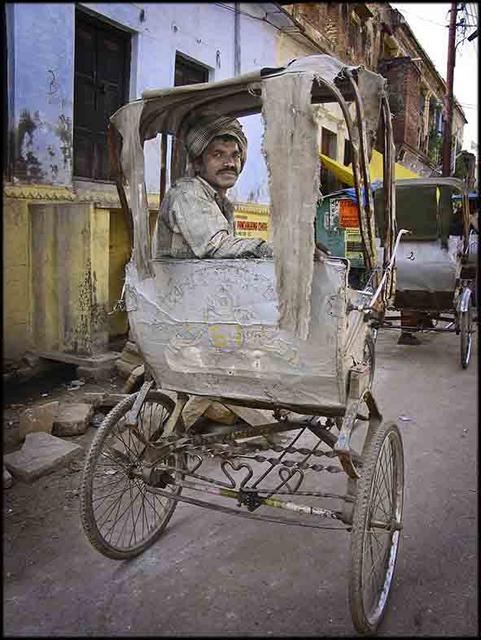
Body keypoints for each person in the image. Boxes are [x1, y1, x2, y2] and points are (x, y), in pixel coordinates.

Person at [152, 113, 273, 260]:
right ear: (198, 163)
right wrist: (271, 250)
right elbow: (218, 246)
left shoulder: (223, 204)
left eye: (235, 155)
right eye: (218, 155)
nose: (230, 163)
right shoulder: (187, 193)